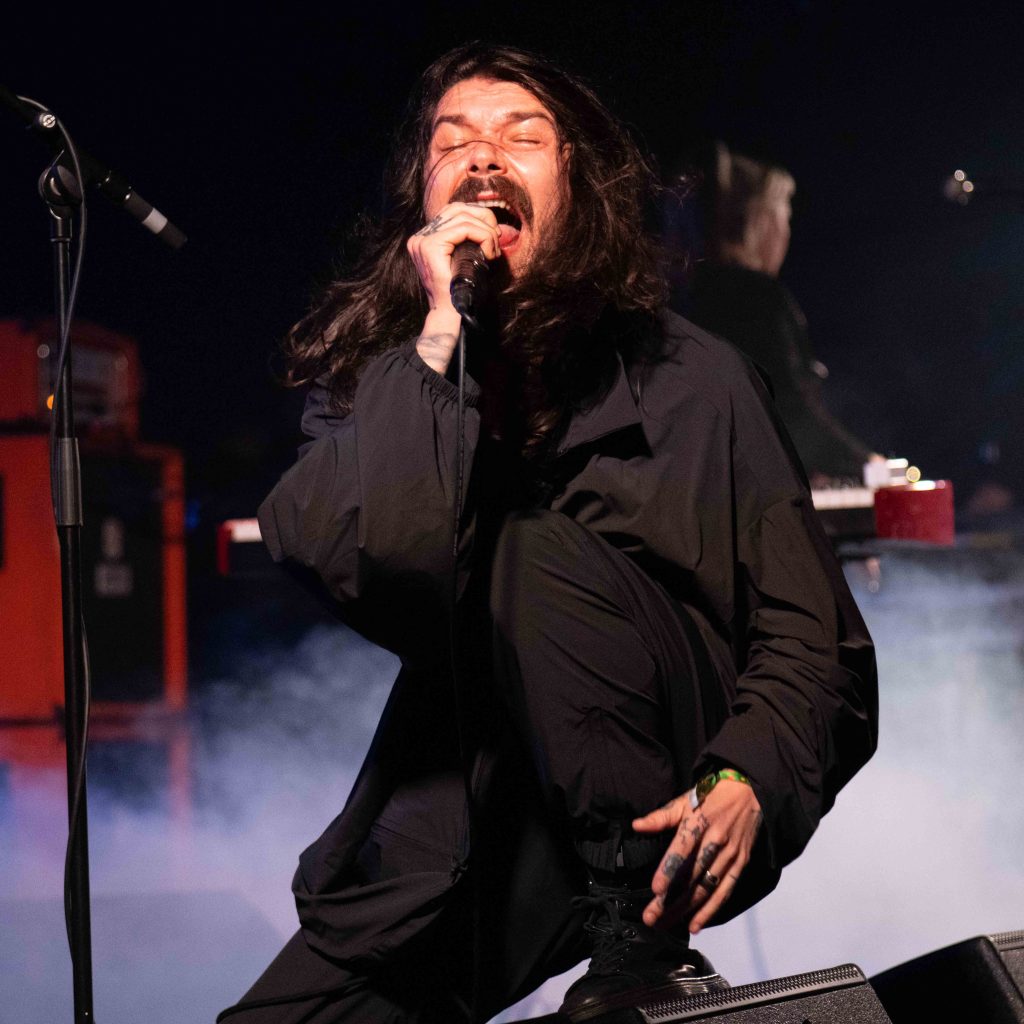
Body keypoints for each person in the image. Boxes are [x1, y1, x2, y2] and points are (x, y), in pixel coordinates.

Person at [219, 44, 878, 1024]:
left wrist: (746, 774)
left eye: (521, 136)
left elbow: (808, 633)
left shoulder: (694, 378)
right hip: (481, 815)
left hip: (666, 790)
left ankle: (638, 948)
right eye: (454, 141)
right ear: (422, 202)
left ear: (580, 188)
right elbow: (390, 559)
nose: (483, 155)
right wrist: (444, 324)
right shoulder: (386, 376)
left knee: (527, 543)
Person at [689, 144, 876, 483]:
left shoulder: (694, 294)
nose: (787, 233)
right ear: (762, 222)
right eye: (785, 218)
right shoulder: (758, 299)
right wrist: (868, 465)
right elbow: (791, 412)